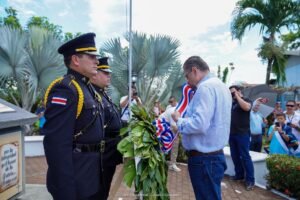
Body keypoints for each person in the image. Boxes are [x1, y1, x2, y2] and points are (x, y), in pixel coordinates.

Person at [42, 33, 105, 200]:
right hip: (75, 182)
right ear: (76, 60)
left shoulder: (86, 88)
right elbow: (56, 145)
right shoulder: (66, 89)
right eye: (91, 57)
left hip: (89, 176)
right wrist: (65, 191)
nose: (97, 61)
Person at [172, 56, 231, 200]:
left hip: (204, 159)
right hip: (214, 157)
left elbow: (199, 124)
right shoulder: (222, 86)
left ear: (194, 70)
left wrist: (179, 120)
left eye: (187, 76)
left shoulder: (205, 88)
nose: (187, 81)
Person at [90, 57, 123, 199]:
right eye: (105, 73)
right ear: (95, 74)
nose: (109, 76)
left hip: (110, 153)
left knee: (105, 190)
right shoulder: (92, 96)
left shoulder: (103, 94)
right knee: (99, 192)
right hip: (102, 156)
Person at [229, 85, 255, 191]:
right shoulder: (232, 103)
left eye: (233, 92)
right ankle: (239, 175)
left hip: (243, 133)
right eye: (231, 93)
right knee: (234, 155)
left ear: (239, 91)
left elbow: (247, 107)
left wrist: (237, 96)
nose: (232, 95)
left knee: (245, 157)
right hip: (232, 133)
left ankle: (250, 180)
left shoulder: (246, 100)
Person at [160, 96, 181, 172]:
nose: (170, 103)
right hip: (163, 125)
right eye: (170, 102)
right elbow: (174, 126)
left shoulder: (179, 108)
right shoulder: (174, 111)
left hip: (168, 125)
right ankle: (171, 164)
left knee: (174, 141)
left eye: (172, 101)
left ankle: (172, 164)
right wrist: (180, 133)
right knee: (174, 141)